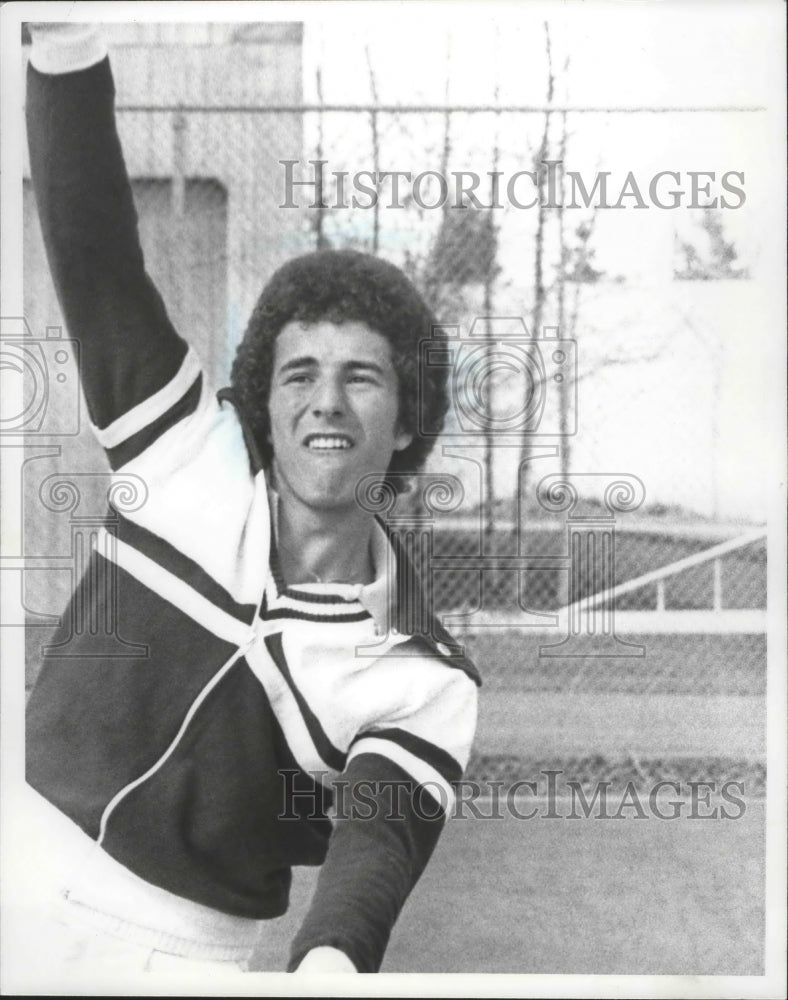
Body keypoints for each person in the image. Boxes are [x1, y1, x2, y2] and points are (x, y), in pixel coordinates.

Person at [21, 22, 479, 979]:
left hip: (179, 952)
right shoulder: (188, 447)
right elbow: (96, 253)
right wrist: (63, 44)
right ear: (261, 403)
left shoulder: (424, 674)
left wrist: (330, 962)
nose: (325, 402)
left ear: (407, 420)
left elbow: (378, 842)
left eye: (362, 378)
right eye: (298, 373)